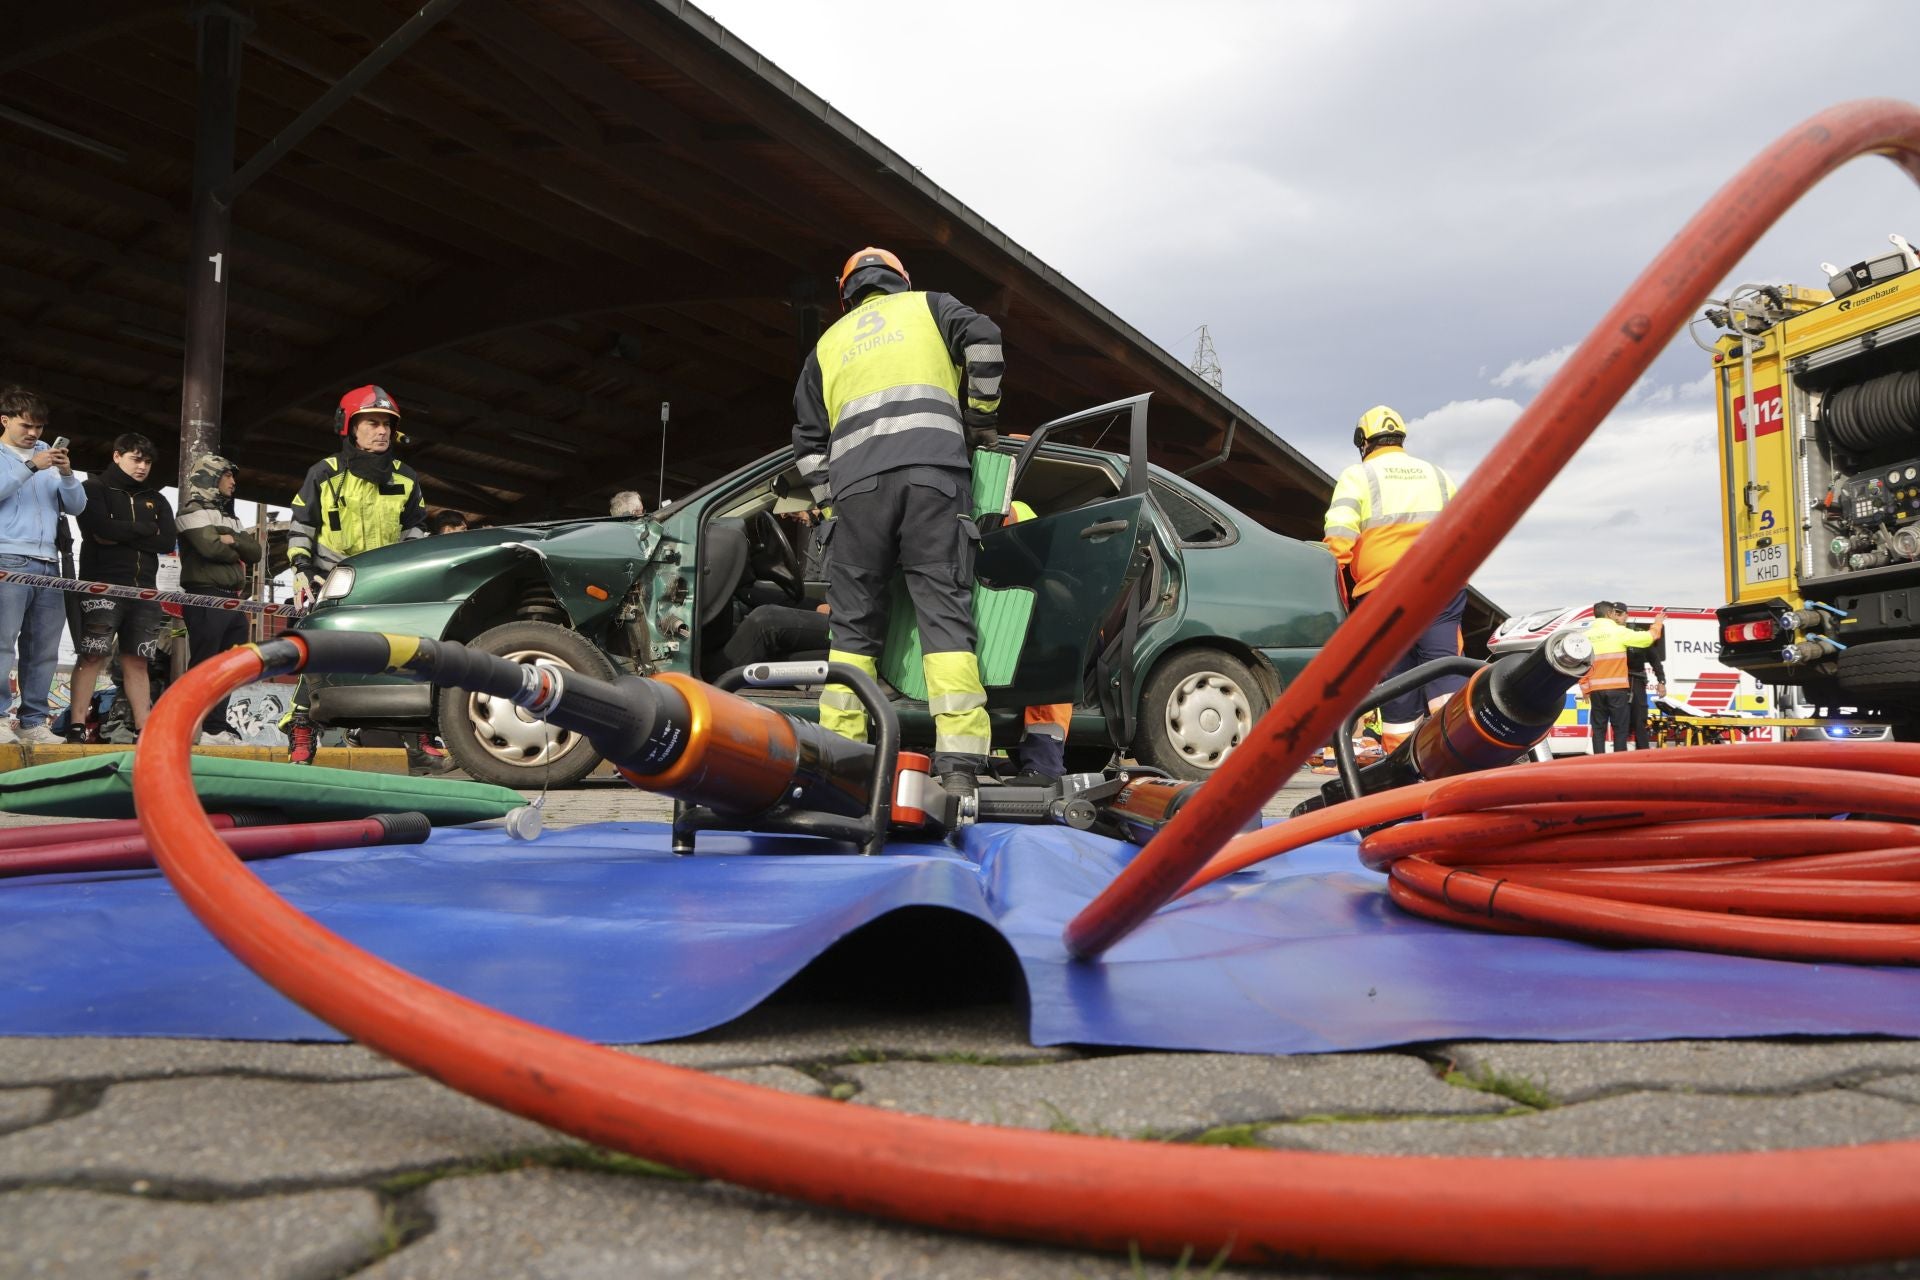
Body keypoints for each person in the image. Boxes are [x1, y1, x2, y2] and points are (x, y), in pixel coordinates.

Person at [793, 247, 1003, 799]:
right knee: (941, 610)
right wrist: (981, 419)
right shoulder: (930, 307)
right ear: (900, 280)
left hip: (858, 492)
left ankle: (841, 759)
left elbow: (809, 446)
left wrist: (832, 502)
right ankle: (958, 761)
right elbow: (984, 339)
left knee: (852, 629)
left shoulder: (827, 345)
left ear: (848, 292)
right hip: (934, 478)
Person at [285, 384, 431, 767]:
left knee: (407, 654)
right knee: (317, 655)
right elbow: (301, 527)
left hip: (387, 584)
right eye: (372, 423)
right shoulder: (324, 473)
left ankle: (420, 737)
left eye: (387, 424)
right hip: (330, 582)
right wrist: (302, 570)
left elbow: (416, 533)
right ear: (349, 426)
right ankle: (301, 730)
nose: (381, 431)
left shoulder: (406, 478)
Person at [1322, 405, 1462, 749]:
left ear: (1363, 442)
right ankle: (1460, 753)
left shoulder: (1359, 476)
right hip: (1441, 587)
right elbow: (1466, 527)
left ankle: (1402, 769)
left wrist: (1331, 581)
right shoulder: (1439, 475)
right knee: (1444, 668)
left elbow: (1339, 534)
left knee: (1398, 679)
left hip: (1384, 591)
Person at [69, 433, 177, 742]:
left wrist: (121, 532)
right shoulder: (94, 488)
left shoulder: (156, 498)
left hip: (144, 591)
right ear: (117, 456)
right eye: (136, 459)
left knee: (138, 660)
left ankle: (145, 730)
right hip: (101, 586)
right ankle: (77, 725)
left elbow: (166, 541)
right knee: (91, 655)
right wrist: (144, 529)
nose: (142, 466)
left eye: (147, 461)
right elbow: (97, 529)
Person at [0, 386, 85, 745]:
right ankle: (1, 719)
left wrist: (66, 474)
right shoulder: (16, 458)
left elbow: (78, 506)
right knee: (2, 644)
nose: (34, 433)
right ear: (4, 420)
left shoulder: (50, 458)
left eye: (39, 426)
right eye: (26, 425)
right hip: (6, 559)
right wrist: (31, 466)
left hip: (50, 563)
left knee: (44, 649)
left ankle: (34, 720)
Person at [176, 453, 262, 745]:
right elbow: (210, 549)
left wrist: (230, 539)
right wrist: (234, 543)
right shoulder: (191, 510)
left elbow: (255, 552)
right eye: (227, 475)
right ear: (210, 477)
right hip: (205, 597)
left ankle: (215, 727)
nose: (233, 482)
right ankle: (192, 726)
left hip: (232, 600)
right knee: (204, 665)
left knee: (228, 668)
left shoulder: (230, 516)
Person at [1582, 600, 1666, 754]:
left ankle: (1598, 763)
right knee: (1620, 728)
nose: (1616, 616)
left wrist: (1585, 688)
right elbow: (1649, 637)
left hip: (1596, 691)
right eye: (1615, 613)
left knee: (1598, 729)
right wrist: (1657, 624)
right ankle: (1618, 763)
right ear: (1609, 614)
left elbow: (1580, 665)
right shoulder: (1619, 632)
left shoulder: (1585, 637)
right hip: (1617, 689)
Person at [1624, 605, 1669, 750]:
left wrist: (1661, 682)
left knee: (1639, 720)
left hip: (1637, 681)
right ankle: (1619, 756)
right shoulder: (1617, 636)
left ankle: (1643, 753)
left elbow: (1655, 661)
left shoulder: (1642, 639)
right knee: (1621, 721)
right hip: (1619, 683)